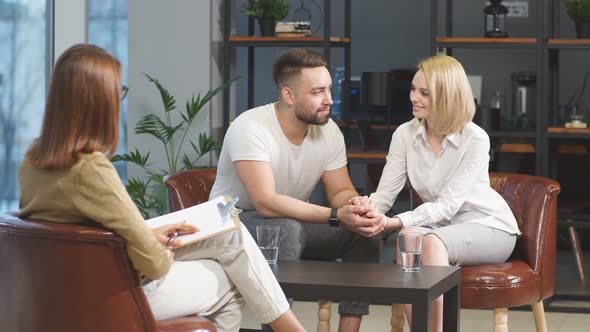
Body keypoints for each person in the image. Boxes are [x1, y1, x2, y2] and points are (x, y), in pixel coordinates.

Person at [17, 44, 305, 332]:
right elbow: (154, 266)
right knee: (230, 279)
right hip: (110, 295)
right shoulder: (91, 168)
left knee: (231, 233)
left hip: (63, 291)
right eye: (118, 92)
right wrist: (157, 248)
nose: (120, 101)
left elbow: (84, 232)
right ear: (99, 101)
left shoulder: (34, 159)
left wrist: (148, 234)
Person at [209, 48, 383, 331]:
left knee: (363, 231)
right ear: (289, 95)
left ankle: (349, 329)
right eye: (317, 92)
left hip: (293, 223)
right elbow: (265, 202)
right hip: (234, 224)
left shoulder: (328, 130)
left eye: (328, 89)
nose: (328, 100)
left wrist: (355, 207)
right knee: (285, 229)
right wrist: (337, 215)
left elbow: (339, 190)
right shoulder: (250, 127)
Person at [352, 54, 521, 332]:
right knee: (408, 239)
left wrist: (394, 222)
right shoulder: (404, 135)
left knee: (425, 241)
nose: (413, 98)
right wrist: (367, 208)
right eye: (413, 89)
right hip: (441, 229)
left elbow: (447, 206)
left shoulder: (475, 138)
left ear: (447, 97)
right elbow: (384, 196)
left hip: (489, 227)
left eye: (424, 93)